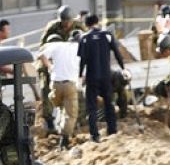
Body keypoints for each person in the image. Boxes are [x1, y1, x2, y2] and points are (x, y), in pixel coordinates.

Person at [77, 14, 127, 142]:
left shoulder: (84, 38)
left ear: (86, 25)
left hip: (92, 76)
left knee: (92, 107)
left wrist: (79, 76)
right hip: (106, 75)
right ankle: (112, 130)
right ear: (97, 22)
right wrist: (123, 68)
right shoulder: (107, 35)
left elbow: (82, 60)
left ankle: (94, 135)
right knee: (109, 103)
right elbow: (117, 53)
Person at [40, 32, 80, 146]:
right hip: (69, 85)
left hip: (55, 85)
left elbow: (41, 56)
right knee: (71, 114)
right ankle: (64, 140)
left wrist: (50, 67)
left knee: (60, 107)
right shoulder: (79, 48)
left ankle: (58, 126)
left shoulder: (58, 46)